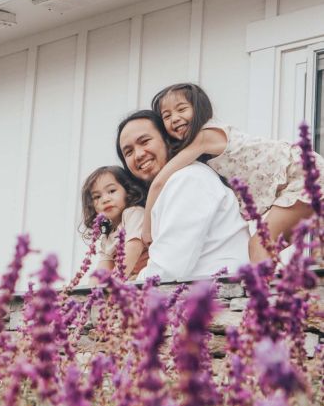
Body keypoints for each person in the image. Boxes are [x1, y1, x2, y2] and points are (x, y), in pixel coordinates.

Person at [143, 82, 324, 262]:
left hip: (304, 174)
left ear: (199, 109)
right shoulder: (205, 150)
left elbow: (159, 182)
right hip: (302, 177)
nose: (174, 118)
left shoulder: (204, 137)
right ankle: (282, 289)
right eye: (166, 116)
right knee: (270, 250)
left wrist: (147, 228)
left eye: (181, 109)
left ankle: (260, 291)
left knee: (259, 245)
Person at [116, 110, 249, 281]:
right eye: (128, 152)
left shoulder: (187, 179)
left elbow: (167, 269)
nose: (139, 154)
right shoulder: (175, 183)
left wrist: (126, 286)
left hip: (219, 298)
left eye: (145, 141)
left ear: (168, 140)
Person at [80, 166, 149, 278]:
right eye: (97, 197)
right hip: (128, 282)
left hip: (147, 279)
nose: (105, 199)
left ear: (127, 191)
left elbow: (133, 249)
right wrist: (90, 293)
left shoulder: (133, 213)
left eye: (111, 191)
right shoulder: (108, 233)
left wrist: (113, 286)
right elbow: (103, 268)